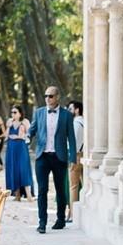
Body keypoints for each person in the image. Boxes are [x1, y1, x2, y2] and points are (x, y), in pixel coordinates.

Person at [28, 85, 77, 233]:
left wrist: (73, 158)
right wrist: (28, 136)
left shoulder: (66, 115)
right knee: (42, 190)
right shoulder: (39, 112)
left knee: (60, 190)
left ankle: (60, 219)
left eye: (51, 96)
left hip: (59, 156)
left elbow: (71, 138)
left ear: (57, 98)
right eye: (46, 96)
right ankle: (42, 223)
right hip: (42, 156)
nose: (47, 99)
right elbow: (33, 128)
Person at [4, 107, 32, 200]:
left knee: (23, 169)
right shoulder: (10, 121)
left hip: (21, 147)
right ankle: (17, 194)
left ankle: (29, 195)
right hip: (11, 147)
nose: (13, 114)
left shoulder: (25, 121)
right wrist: (9, 126)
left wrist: (21, 135)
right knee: (13, 169)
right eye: (12, 112)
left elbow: (29, 134)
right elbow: (6, 135)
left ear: (20, 113)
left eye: (15, 112)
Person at [68, 100, 86, 221]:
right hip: (84, 154)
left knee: (73, 186)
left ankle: (73, 214)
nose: (69, 111)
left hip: (76, 155)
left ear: (77, 110)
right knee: (85, 184)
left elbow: (73, 142)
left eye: (70, 108)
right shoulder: (85, 122)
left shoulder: (76, 123)